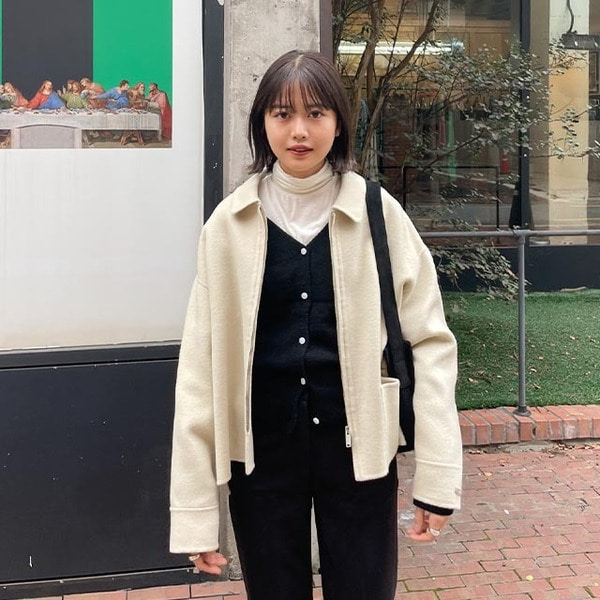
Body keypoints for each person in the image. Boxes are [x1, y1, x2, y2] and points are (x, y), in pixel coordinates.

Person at [169, 50, 463, 600]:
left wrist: (437, 476)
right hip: (259, 456)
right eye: (282, 114)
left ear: (338, 123)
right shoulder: (229, 225)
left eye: (316, 113)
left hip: (360, 454)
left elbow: (430, 343)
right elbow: (199, 370)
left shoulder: (378, 213)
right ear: (262, 123)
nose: (299, 131)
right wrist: (194, 513)